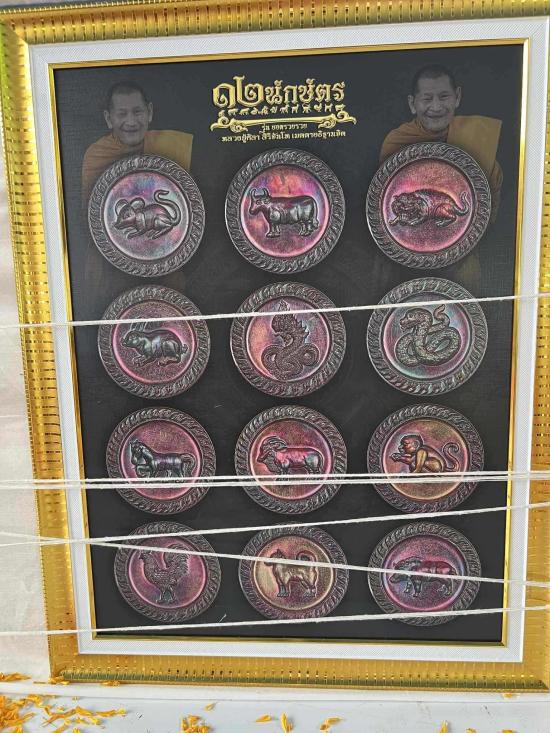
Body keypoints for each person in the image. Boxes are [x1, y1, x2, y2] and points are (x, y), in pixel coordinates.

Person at [380, 64, 502, 219]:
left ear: (457, 97)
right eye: (427, 99)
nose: (436, 107)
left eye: (444, 97)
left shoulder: (477, 136)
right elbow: (389, 196)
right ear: (412, 104)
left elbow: (489, 196)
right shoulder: (397, 141)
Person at [81, 81, 193, 203]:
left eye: (137, 112)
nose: (131, 122)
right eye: (122, 114)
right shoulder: (97, 155)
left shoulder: (171, 145)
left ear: (149, 112)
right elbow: (92, 206)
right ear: (109, 119)